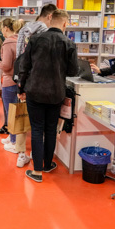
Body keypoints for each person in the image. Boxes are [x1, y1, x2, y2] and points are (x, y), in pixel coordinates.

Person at [19, 10, 78, 183]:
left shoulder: (36, 39)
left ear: (50, 19)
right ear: (65, 24)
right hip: (56, 92)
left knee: (37, 129)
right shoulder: (69, 43)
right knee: (51, 129)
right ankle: (47, 164)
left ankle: (37, 171)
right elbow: (73, 71)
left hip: (35, 91)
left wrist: (21, 86)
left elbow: (24, 65)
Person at [0, 18, 30, 166]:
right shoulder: (21, 41)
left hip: (9, 81)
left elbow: (7, 66)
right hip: (20, 81)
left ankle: (14, 141)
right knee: (14, 111)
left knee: (10, 111)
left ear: (6, 28)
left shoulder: (7, 43)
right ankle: (11, 136)